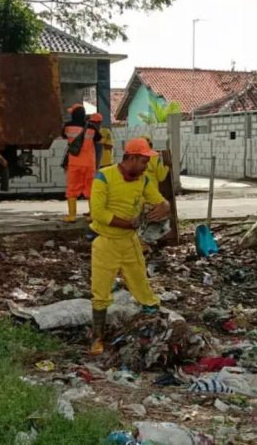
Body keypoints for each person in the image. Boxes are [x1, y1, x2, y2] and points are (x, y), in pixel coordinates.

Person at [88, 138, 171, 355]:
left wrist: (165, 206)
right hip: (106, 242)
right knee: (100, 292)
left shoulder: (143, 180)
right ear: (131, 158)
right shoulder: (104, 177)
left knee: (142, 285)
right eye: (143, 161)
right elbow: (98, 212)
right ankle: (97, 338)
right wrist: (128, 223)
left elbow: (159, 200)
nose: (146, 166)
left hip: (129, 242)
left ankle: (153, 326)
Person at [62, 105, 101, 222]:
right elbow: (98, 138)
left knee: (72, 189)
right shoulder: (91, 127)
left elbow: (63, 135)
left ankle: (72, 216)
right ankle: (93, 215)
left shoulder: (68, 126)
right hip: (89, 164)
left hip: (74, 163)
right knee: (90, 189)